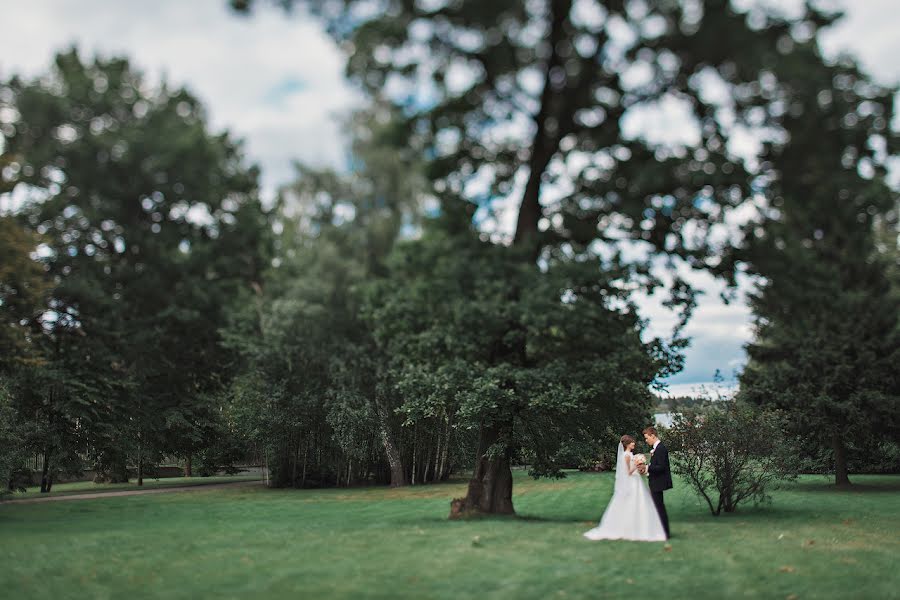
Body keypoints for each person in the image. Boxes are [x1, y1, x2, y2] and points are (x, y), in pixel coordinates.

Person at [583, 434, 667, 542]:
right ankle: (630, 529)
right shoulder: (627, 455)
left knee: (639, 503)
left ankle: (639, 527)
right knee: (633, 503)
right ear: (627, 444)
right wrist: (637, 466)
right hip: (632, 481)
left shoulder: (630, 454)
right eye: (632, 442)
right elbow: (628, 472)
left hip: (636, 481)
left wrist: (640, 467)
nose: (634, 443)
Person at [642, 426, 672, 539]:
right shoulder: (657, 448)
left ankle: (665, 533)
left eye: (646, 438)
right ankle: (661, 531)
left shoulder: (660, 448)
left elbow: (661, 467)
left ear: (652, 435)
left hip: (659, 482)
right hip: (655, 481)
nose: (646, 440)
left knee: (659, 507)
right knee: (657, 507)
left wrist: (647, 467)